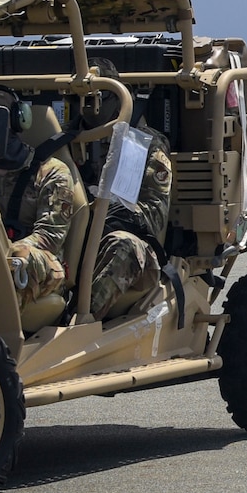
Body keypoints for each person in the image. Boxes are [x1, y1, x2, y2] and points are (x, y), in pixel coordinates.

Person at [80, 60, 177, 321]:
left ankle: (80, 323)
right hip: (77, 236)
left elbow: (155, 215)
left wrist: (102, 210)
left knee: (123, 246)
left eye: (99, 97)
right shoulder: (70, 140)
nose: (91, 106)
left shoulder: (144, 144)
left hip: (132, 244)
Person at [0, 87, 86, 318]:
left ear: (19, 121)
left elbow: (50, 238)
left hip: (38, 262)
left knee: (16, 259)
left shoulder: (52, 172)